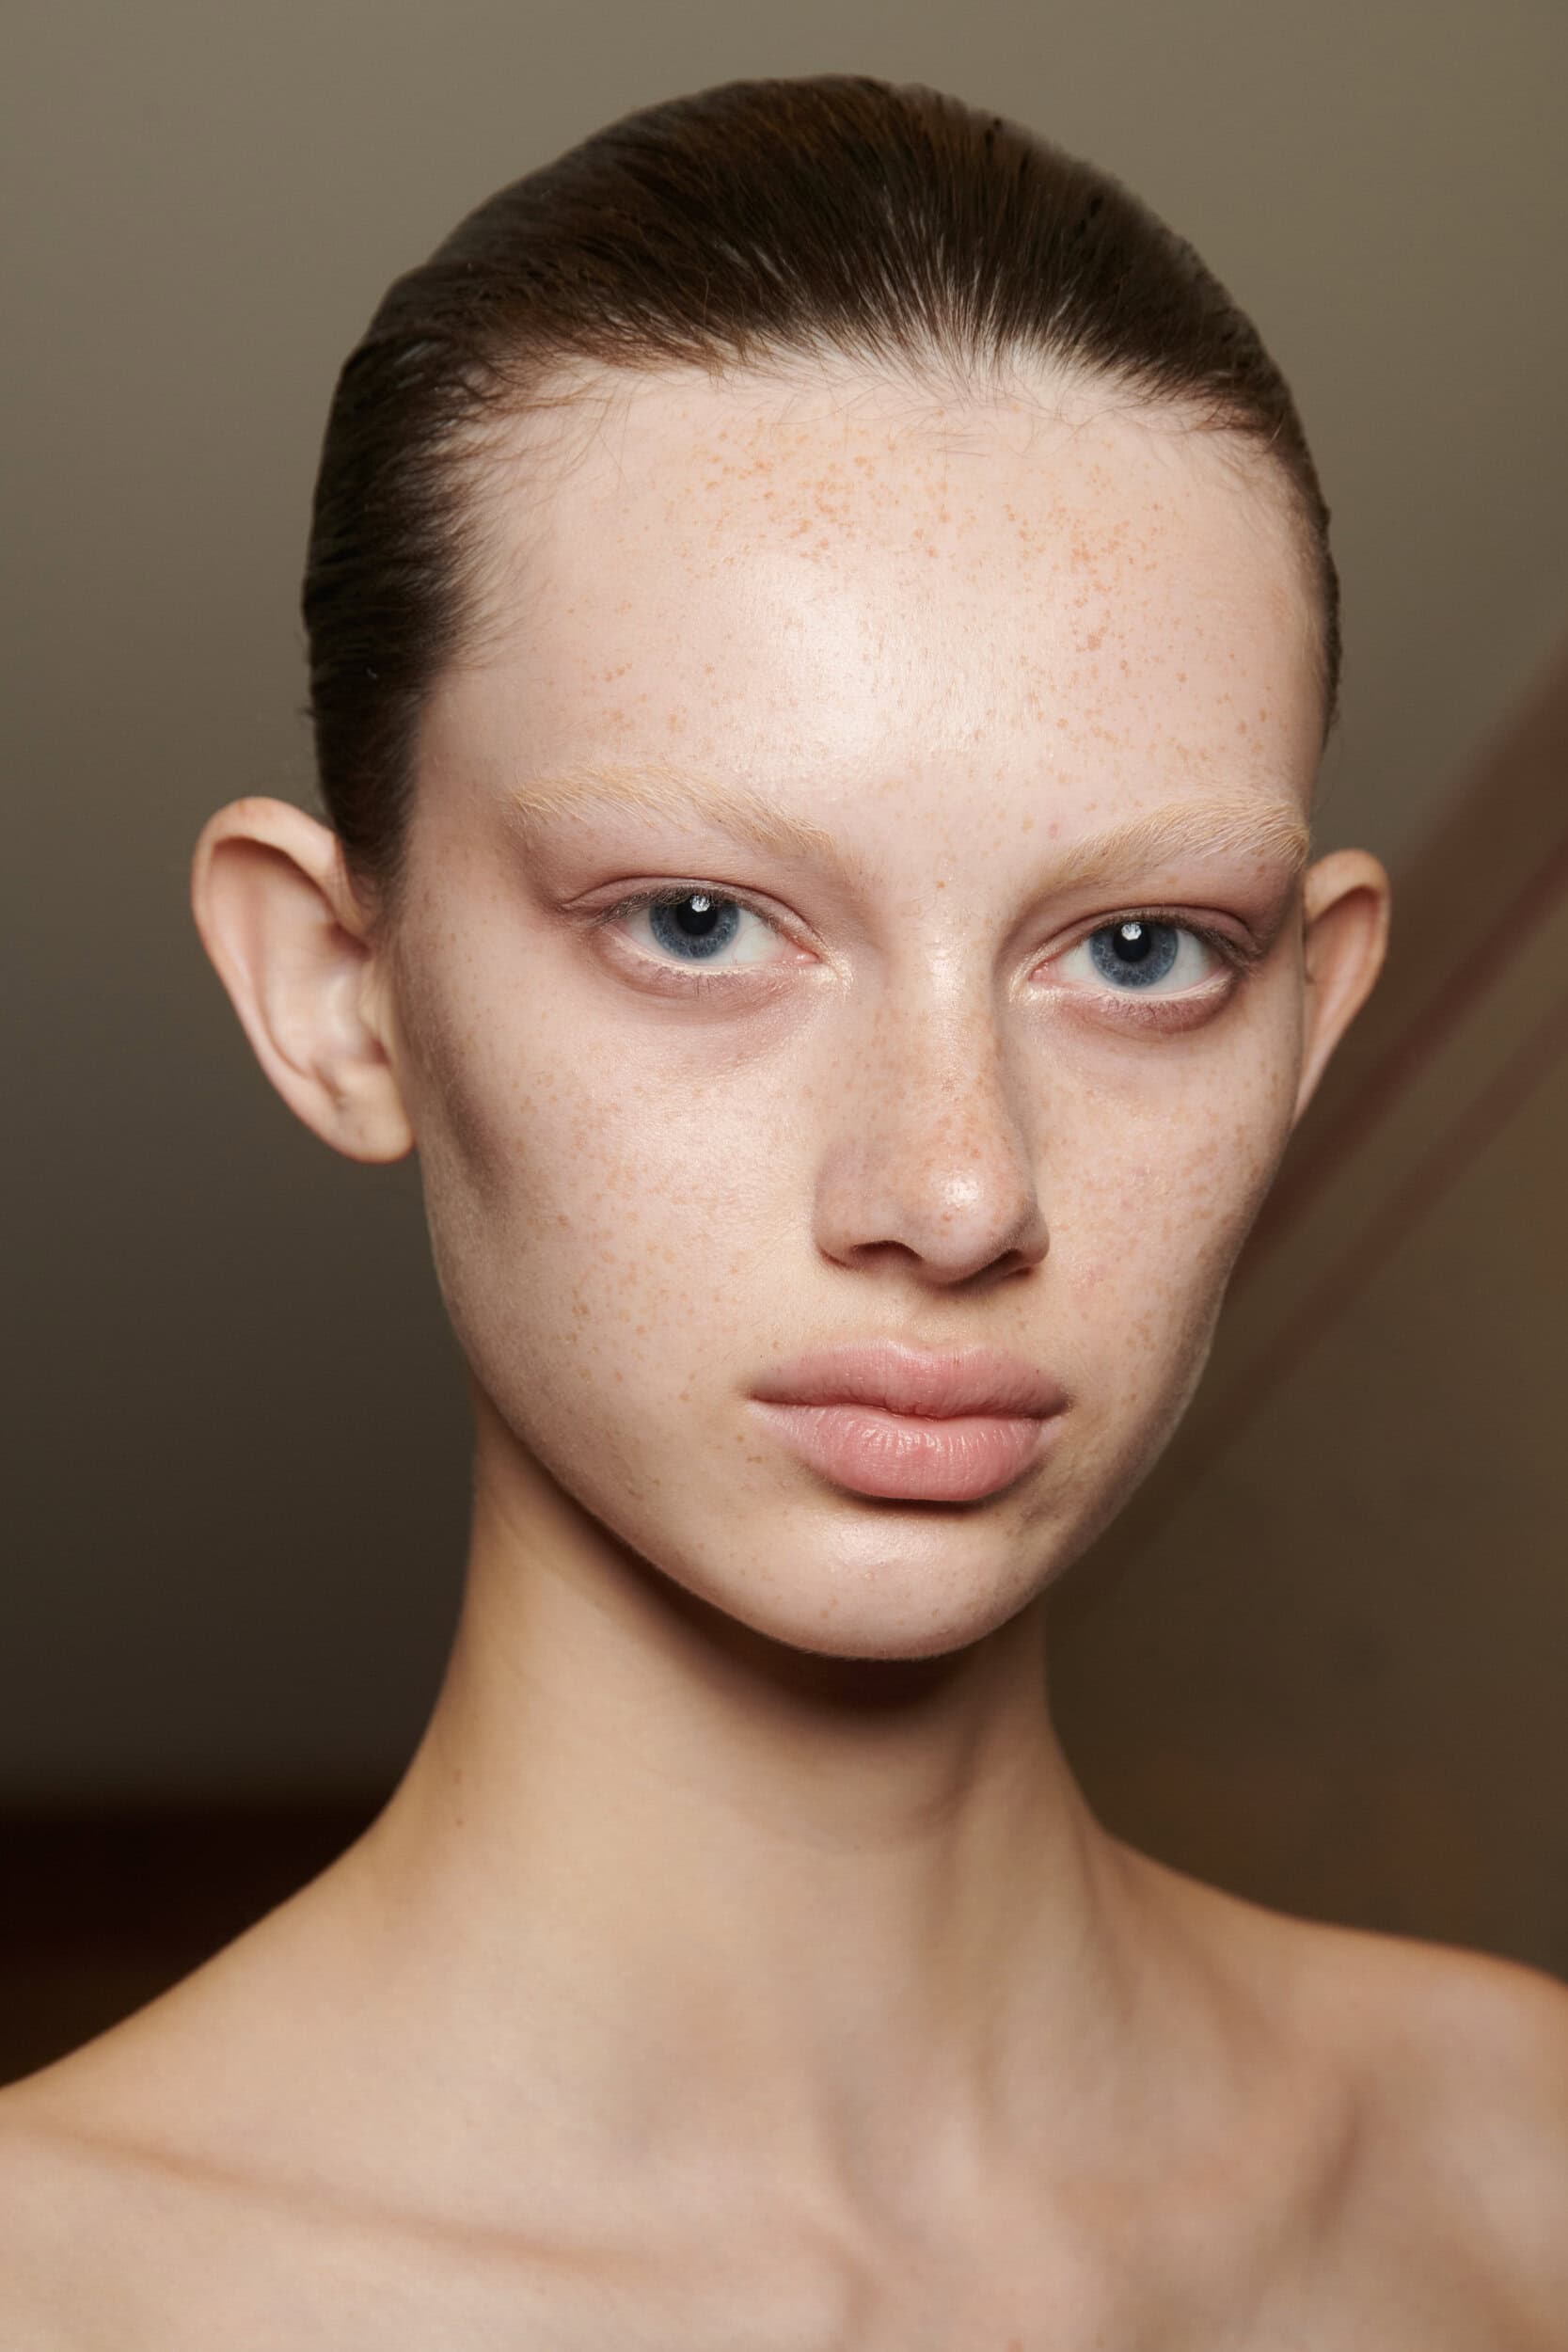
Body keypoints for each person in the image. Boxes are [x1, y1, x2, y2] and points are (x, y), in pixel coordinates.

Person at [3, 71, 1565, 2346]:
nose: (955, 1185)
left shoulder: (1524, 2178)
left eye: (1142, 951)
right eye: (700, 921)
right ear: (340, 991)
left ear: (1308, 1025)